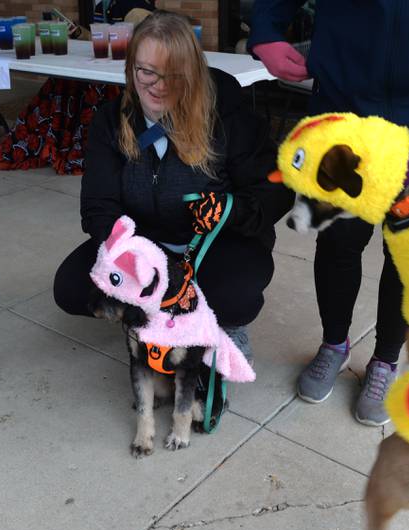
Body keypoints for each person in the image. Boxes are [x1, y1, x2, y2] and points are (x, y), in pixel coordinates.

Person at [248, 0, 409, 425]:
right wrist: (267, 27)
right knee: (338, 240)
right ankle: (334, 343)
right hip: (345, 101)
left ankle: (385, 361)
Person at [54, 10, 294, 360]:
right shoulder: (112, 120)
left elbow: (273, 188)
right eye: (147, 71)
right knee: (72, 287)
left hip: (217, 243)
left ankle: (222, 324)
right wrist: (137, 260)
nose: (159, 86)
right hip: (146, 244)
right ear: (131, 69)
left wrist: (228, 210)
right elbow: (98, 206)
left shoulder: (227, 110)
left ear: (193, 71)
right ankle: (154, 312)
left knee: (234, 296)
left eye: (173, 75)